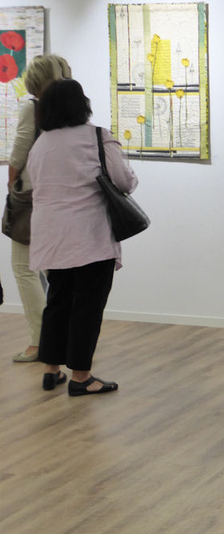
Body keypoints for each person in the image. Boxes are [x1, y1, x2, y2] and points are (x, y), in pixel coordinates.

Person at [28, 79, 139, 396]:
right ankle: (81, 377)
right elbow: (124, 181)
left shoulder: (41, 143)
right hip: (89, 236)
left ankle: (51, 371)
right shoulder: (96, 136)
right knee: (87, 307)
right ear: (82, 104)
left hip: (51, 236)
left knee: (57, 302)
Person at [8, 55, 71, 362]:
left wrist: (12, 186)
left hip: (32, 198)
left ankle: (40, 340)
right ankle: (65, 338)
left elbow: (18, 157)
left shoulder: (33, 109)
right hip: (62, 198)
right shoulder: (73, 112)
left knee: (24, 268)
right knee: (57, 271)